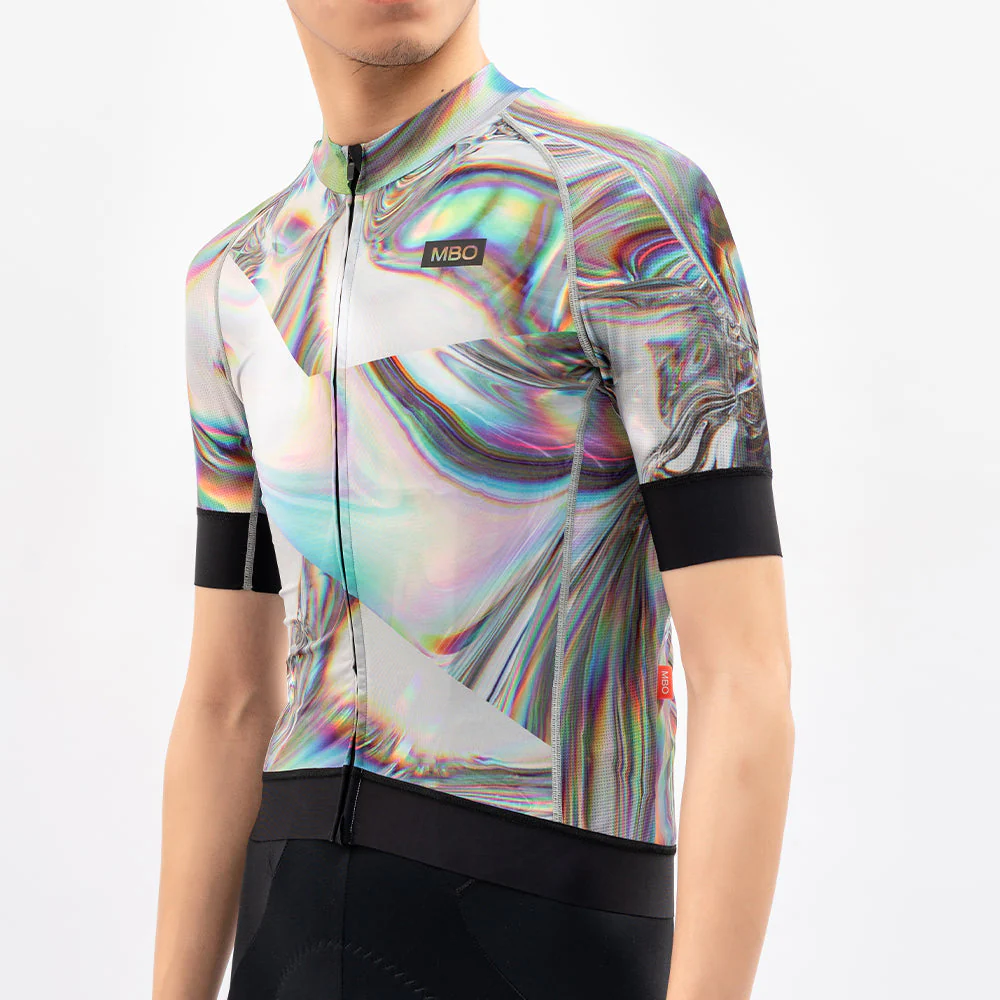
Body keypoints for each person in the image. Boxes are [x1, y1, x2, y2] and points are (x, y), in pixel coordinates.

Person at [152, 2, 795, 998]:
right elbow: (227, 700)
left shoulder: (613, 208)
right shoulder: (236, 280)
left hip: (552, 931)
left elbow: (745, 679)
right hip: (290, 938)